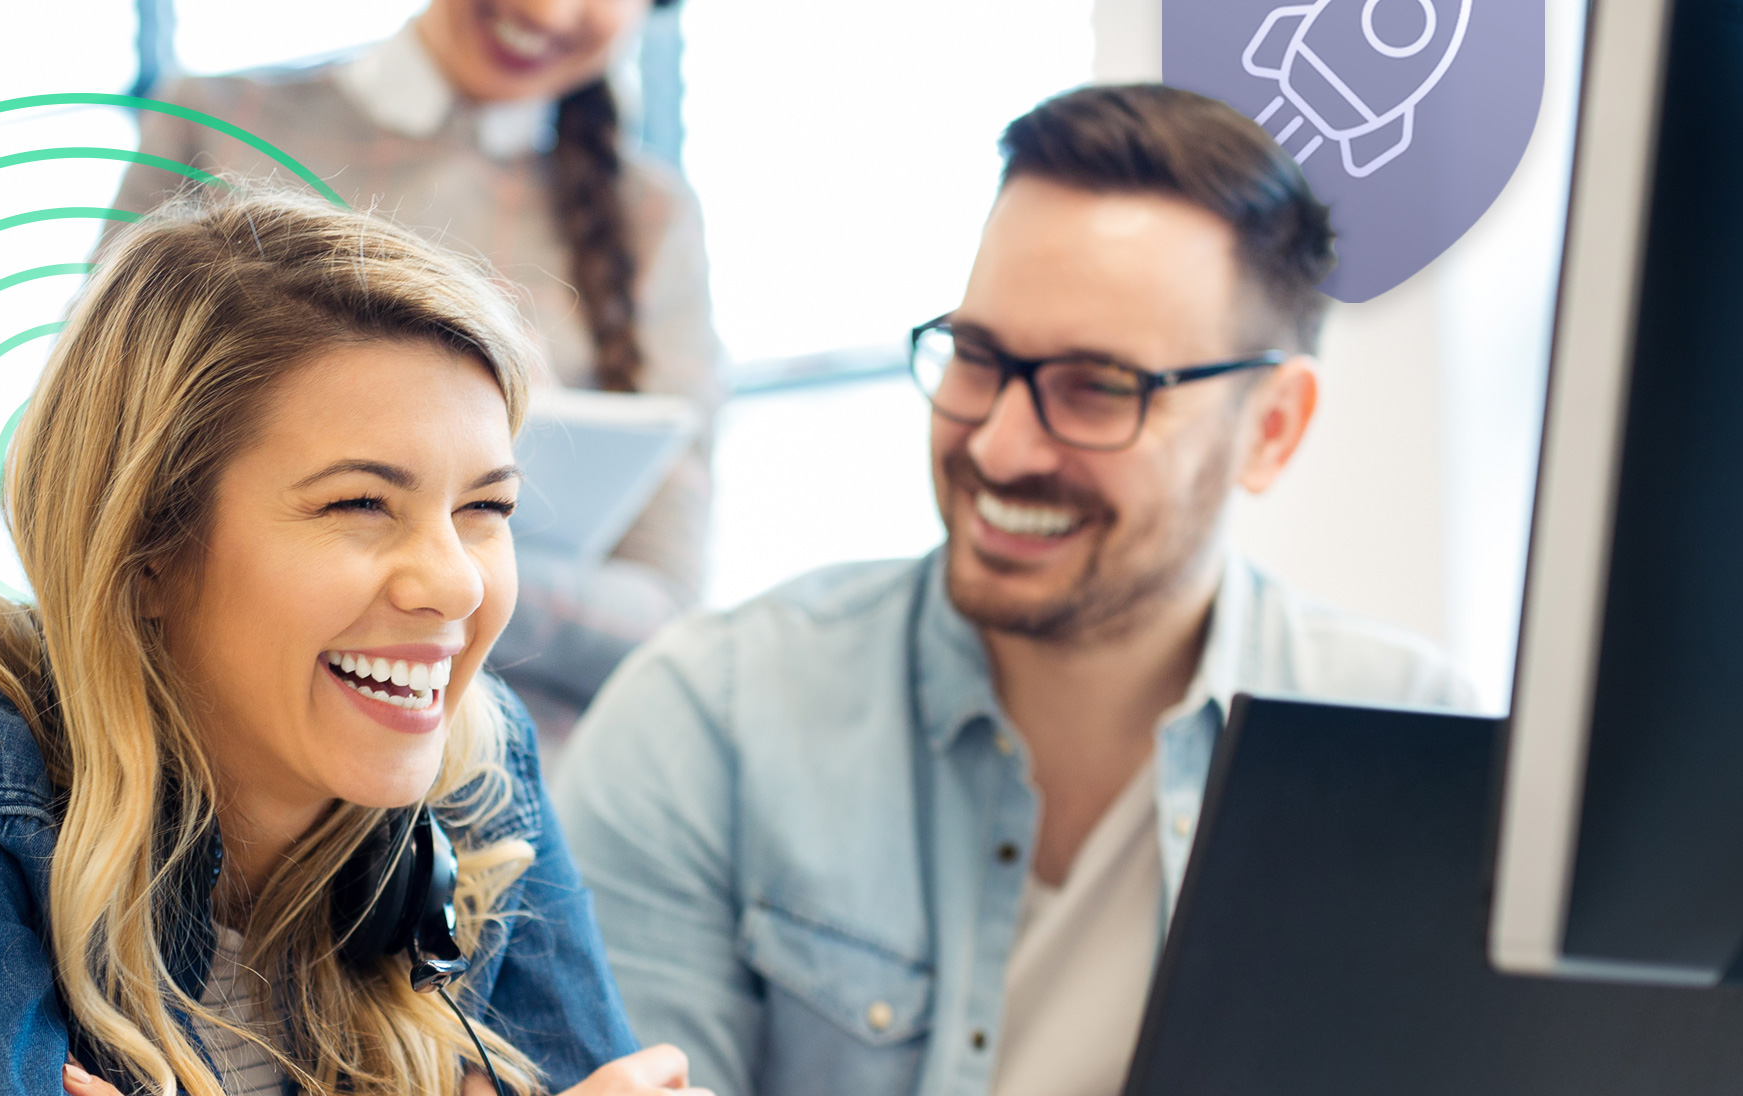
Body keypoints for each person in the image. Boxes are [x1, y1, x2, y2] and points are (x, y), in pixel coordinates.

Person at [551, 85, 1479, 1096]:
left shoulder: (1424, 753)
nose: (998, 442)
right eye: (979, 357)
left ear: (1271, 429)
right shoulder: (702, 723)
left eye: (1096, 387)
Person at [0, 192, 709, 1096]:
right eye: (361, 502)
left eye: (486, 506)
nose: (454, 580)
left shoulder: (476, 763)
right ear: (148, 545)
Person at [112, 0, 732, 749]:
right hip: (209, 764)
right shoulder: (214, 130)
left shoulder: (653, 225)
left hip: (510, 817)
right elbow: (85, 477)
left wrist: (431, 569)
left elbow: (668, 612)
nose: (555, 1)